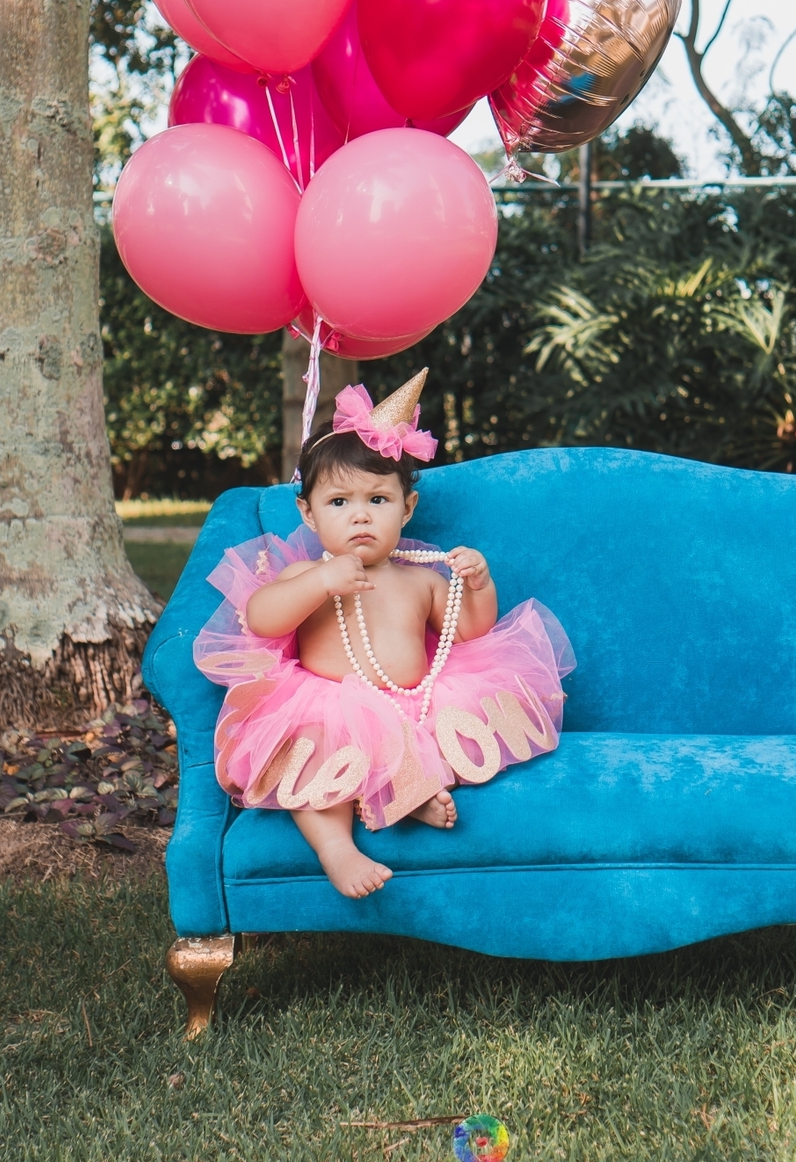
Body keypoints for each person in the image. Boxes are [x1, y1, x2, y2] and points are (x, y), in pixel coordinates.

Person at [193, 370, 574, 899]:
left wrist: (479, 585)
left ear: (406, 508)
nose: (360, 517)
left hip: (411, 702)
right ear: (308, 512)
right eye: (339, 503)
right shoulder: (306, 574)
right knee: (315, 761)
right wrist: (321, 583)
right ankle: (337, 849)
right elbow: (262, 617)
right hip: (327, 705)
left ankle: (405, 792)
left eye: (378, 500)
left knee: (435, 735)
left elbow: (470, 631)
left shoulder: (422, 578)